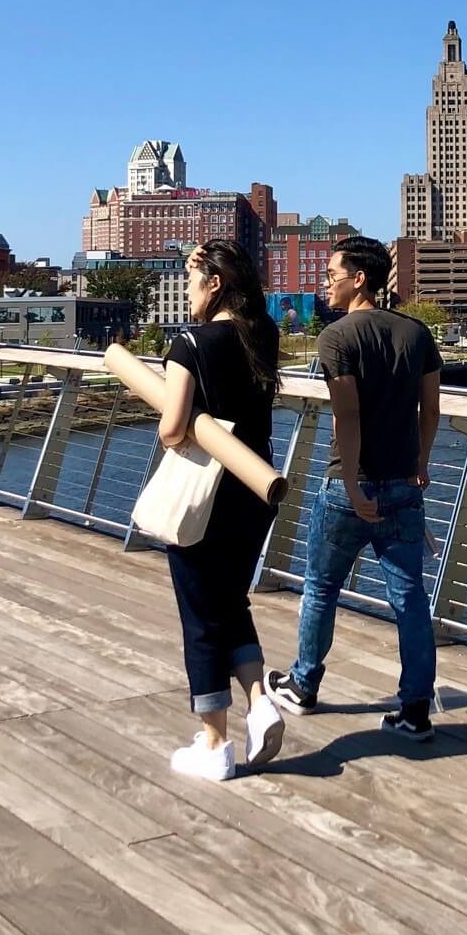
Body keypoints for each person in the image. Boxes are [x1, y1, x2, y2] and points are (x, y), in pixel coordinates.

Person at [266, 236, 442, 739]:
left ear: (358, 278)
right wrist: (420, 463)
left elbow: (347, 413)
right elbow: (431, 409)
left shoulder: (337, 337)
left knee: (321, 587)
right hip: (405, 486)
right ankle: (415, 710)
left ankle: (303, 686)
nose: (326, 283)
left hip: (351, 487)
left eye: (331, 274)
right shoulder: (416, 333)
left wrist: (349, 481)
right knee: (410, 600)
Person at [159, 240, 285, 782]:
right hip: (254, 490)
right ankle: (260, 702)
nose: (187, 291)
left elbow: (171, 427)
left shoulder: (191, 343)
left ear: (214, 285)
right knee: (231, 600)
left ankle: (215, 744)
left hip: (203, 497)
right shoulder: (265, 336)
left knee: (200, 615)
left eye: (193, 280)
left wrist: (178, 432)